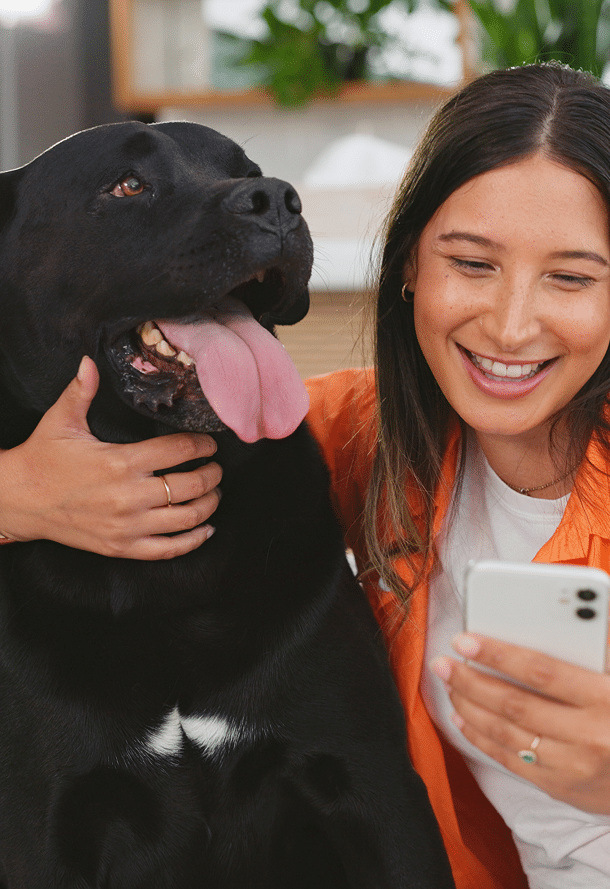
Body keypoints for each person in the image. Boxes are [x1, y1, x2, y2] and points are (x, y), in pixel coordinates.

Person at [2, 61, 610, 888]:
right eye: (471, 264)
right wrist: (17, 494)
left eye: (571, 277)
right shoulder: (362, 434)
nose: (511, 324)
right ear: (407, 266)